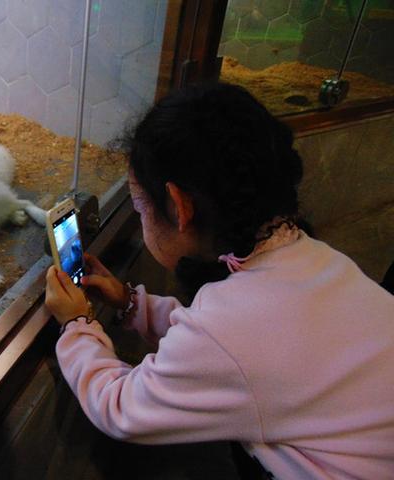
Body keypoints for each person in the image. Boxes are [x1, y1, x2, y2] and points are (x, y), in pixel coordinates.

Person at [45, 83, 394, 479]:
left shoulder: (232, 327)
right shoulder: (309, 256)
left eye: (140, 204)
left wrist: (76, 325)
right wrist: (131, 305)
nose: (142, 218)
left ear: (179, 207)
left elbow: (120, 407)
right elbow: (230, 348)